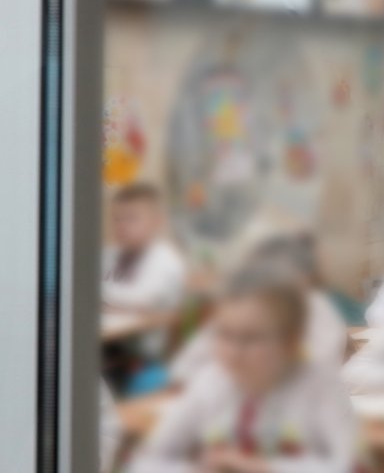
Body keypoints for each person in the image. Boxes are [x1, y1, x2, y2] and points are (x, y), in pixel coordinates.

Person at [129, 263, 363, 473]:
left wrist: (265, 468)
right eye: (225, 335)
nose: (234, 351)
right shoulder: (210, 382)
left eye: (251, 338)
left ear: (289, 341)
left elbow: (346, 464)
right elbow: (148, 461)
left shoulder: (322, 388)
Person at [170, 235, 347, 384]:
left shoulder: (318, 311)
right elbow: (185, 366)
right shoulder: (241, 307)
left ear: (303, 280)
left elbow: (318, 368)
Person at [101, 183, 186, 312]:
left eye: (131, 218)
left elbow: (142, 298)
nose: (121, 226)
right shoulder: (109, 254)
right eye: (117, 219)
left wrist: (97, 294)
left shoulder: (165, 258)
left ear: (157, 222)